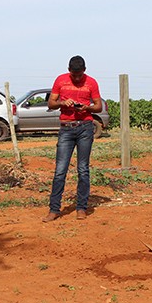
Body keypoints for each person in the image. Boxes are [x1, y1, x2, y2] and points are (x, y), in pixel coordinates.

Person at [42, 55, 102, 222]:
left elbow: (98, 106)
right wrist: (62, 103)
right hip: (66, 129)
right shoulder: (60, 80)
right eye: (74, 75)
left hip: (85, 128)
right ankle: (54, 209)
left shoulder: (91, 82)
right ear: (69, 70)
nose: (77, 78)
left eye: (80, 75)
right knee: (60, 170)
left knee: (83, 169)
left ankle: (81, 208)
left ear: (84, 70)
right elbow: (51, 103)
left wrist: (87, 108)